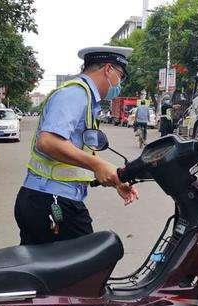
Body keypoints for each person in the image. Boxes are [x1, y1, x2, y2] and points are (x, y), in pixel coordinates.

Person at [14, 46, 139, 245]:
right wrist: (97, 165)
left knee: (49, 272)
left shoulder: (86, 99)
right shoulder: (75, 94)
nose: (119, 84)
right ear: (108, 70)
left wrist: (115, 179)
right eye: (120, 76)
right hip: (52, 200)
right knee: (87, 269)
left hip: (46, 199)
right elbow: (48, 141)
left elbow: (78, 150)